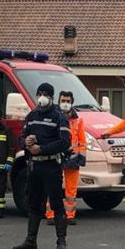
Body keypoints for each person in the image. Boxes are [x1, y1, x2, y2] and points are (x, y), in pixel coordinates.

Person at [13, 83, 72, 249]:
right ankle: (31, 240)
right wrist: (26, 143)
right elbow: (21, 137)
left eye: (45, 94)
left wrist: (42, 148)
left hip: (51, 165)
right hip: (34, 165)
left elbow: (64, 142)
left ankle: (61, 241)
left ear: (51, 97)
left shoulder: (59, 117)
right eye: (39, 93)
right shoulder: (31, 115)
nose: (42, 97)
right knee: (33, 203)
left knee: (56, 203)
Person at [46, 90, 85, 225]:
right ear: (58, 101)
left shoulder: (78, 120)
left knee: (71, 190)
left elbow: (82, 141)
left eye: (68, 101)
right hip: (55, 156)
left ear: (72, 102)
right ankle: (51, 214)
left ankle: (69, 214)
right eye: (63, 101)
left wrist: (82, 157)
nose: (65, 104)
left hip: (72, 158)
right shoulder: (53, 117)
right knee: (53, 187)